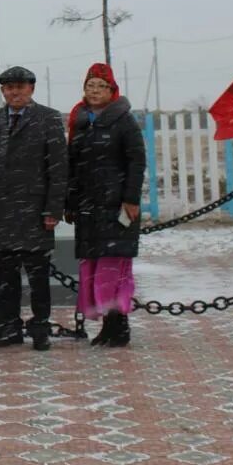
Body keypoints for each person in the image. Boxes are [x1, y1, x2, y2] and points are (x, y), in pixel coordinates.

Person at [0, 66, 67, 351]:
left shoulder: (48, 118)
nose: (15, 92)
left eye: (20, 87)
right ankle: (6, 328)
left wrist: (53, 209)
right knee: (2, 278)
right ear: (3, 91)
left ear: (31, 90)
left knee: (38, 277)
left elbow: (59, 168)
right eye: (9, 88)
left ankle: (40, 328)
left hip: (35, 212)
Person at [65, 63, 147, 347]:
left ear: (112, 91)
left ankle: (119, 326)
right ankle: (107, 326)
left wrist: (130, 198)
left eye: (101, 86)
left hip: (116, 206)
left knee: (113, 266)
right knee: (95, 266)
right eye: (90, 86)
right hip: (89, 206)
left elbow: (136, 161)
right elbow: (72, 165)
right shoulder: (79, 121)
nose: (95, 91)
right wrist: (71, 200)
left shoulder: (124, 121)